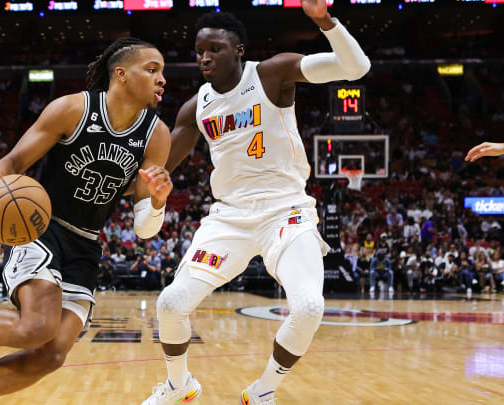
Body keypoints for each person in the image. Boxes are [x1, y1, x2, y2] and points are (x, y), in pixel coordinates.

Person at [0, 37, 173, 405]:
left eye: (163, 72)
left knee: (51, 355)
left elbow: (144, 228)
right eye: (152, 70)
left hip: (86, 244)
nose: (162, 79)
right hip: (39, 226)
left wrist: (156, 202)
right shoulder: (72, 110)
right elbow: (11, 164)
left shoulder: (157, 136)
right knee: (36, 326)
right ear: (120, 74)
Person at [141, 3, 370, 404]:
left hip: (287, 212)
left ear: (239, 49)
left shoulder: (272, 73)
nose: (205, 57)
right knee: (171, 303)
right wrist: (149, 181)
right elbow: (157, 169)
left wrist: (323, 21)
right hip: (229, 218)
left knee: (309, 307)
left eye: (215, 48)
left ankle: (262, 392)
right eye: (198, 51)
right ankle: (180, 386)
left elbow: (356, 68)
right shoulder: (196, 106)